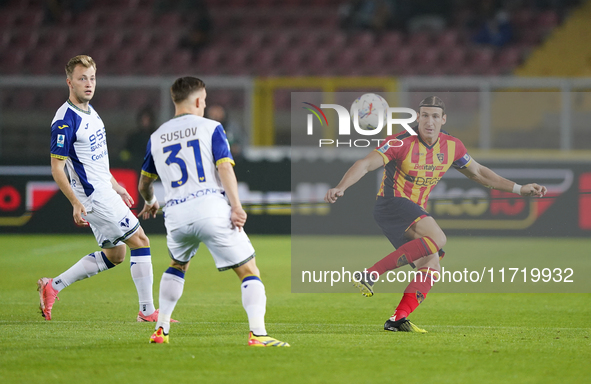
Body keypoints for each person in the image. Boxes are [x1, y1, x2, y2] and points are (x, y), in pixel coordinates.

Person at [324, 96, 547, 333]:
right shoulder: (401, 142)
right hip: (392, 203)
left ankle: (398, 319)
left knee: (431, 264)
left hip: (412, 211)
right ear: (417, 118)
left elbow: (479, 173)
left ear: (443, 119)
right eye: (425, 116)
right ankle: (369, 274)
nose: (429, 121)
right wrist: (342, 186)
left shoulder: (452, 146)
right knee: (438, 238)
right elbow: (366, 164)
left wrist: (519, 188)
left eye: (435, 116)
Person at [138, 76, 289, 346]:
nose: (205, 105)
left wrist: (150, 201)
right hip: (210, 208)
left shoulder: (156, 137)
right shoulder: (211, 127)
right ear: (197, 100)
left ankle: (161, 330)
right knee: (249, 270)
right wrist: (236, 206)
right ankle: (258, 334)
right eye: (204, 100)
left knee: (177, 265)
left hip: (175, 215)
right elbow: (224, 167)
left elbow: (144, 184)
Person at [38, 55, 172, 323]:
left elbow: (95, 160)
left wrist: (116, 185)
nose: (88, 84)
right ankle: (147, 312)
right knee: (141, 241)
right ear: (69, 82)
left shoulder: (90, 111)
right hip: (93, 197)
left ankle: (53, 286)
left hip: (104, 191)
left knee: (116, 254)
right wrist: (76, 202)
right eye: (82, 78)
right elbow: (57, 168)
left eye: (92, 78)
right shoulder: (65, 121)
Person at [119, 105, 157, 169]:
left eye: (147, 119)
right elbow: (125, 154)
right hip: (135, 169)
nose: (145, 121)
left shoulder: (157, 136)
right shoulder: (133, 138)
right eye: (143, 119)